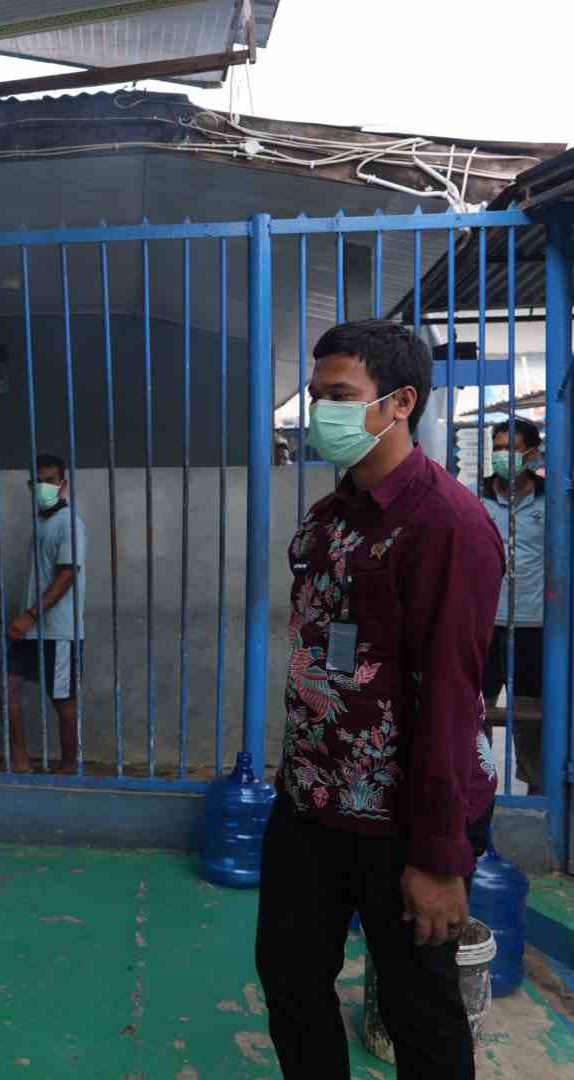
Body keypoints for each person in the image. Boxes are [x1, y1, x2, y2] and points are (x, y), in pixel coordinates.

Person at [257, 320, 503, 1080]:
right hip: (312, 802)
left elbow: (454, 702)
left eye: (340, 396)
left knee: (418, 1011)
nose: (321, 412)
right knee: (291, 980)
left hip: (406, 816)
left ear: (400, 403)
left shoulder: (448, 525)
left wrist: (437, 857)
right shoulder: (333, 516)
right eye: (316, 395)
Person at [3, 452, 87, 774]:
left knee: (63, 700)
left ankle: (68, 768)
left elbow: (67, 576)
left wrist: (29, 615)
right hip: (32, 626)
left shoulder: (69, 523)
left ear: (63, 484)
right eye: (38, 481)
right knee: (7, 686)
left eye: (50, 481)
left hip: (58, 629)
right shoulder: (43, 523)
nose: (44, 486)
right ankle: (21, 762)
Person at [481, 417, 546, 795]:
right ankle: (477, 787)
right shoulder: (475, 499)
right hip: (484, 623)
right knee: (476, 710)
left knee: (533, 719)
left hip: (534, 625)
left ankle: (539, 797)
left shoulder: (550, 500)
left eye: (511, 447)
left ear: (532, 453)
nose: (503, 455)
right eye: (498, 447)